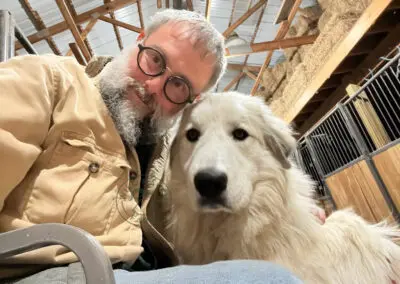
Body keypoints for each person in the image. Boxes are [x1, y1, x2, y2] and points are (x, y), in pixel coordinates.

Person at [0, 9, 302, 283]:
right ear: (139, 40)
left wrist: (293, 217)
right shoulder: (50, 80)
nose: (154, 85)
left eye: (179, 84)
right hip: (56, 272)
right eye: (155, 59)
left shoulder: (172, 151)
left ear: (190, 101)